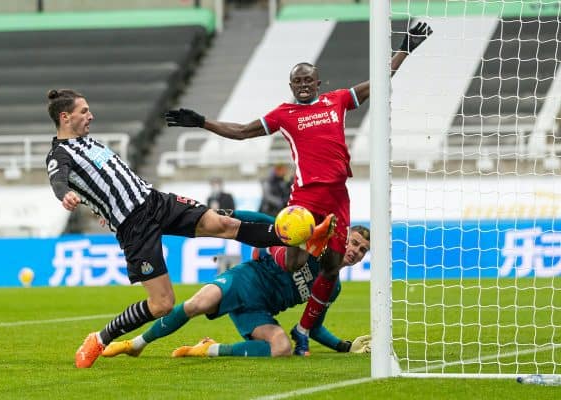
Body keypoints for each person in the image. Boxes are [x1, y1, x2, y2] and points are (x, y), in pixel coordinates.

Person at [164, 22, 433, 355]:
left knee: (332, 267)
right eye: (298, 81)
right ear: (291, 85)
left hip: (338, 197)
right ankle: (283, 246)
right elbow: (243, 131)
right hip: (306, 197)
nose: (304, 85)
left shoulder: (336, 101)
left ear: (319, 83)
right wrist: (204, 122)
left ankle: (305, 327)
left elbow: (378, 83)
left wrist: (405, 48)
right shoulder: (285, 114)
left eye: (309, 80)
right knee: (293, 263)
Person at [45, 89, 334, 368]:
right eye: (84, 111)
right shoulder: (59, 155)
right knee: (162, 305)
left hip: (155, 201)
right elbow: (59, 180)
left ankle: (298, 236)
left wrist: (99, 207)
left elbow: (106, 182)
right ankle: (100, 338)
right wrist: (65, 195)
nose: (91, 115)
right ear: (65, 117)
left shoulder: (91, 143)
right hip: (134, 226)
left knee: (223, 224)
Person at [101, 210, 371, 359]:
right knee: (197, 304)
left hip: (260, 312)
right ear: (343, 238)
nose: (356, 251)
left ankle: (209, 349)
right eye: (355, 243)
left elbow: (314, 327)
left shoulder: (332, 287)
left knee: (282, 348)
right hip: (246, 279)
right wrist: (224, 214)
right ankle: (136, 344)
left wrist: (344, 346)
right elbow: (269, 223)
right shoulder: (316, 246)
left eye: (362, 251)